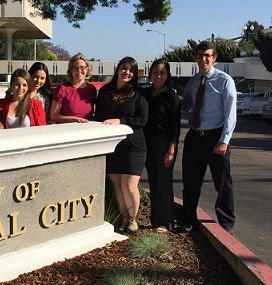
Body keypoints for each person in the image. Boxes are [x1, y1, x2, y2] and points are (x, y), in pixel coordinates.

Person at [181, 41, 237, 234]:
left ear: (214, 58)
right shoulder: (193, 81)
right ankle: (189, 221)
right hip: (194, 137)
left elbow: (230, 113)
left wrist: (224, 140)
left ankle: (226, 223)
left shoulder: (225, 80)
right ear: (195, 58)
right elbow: (187, 105)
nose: (203, 59)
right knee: (190, 182)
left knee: (222, 183)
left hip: (216, 138)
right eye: (199, 55)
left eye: (207, 55)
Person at [94, 57, 148, 233]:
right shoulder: (105, 92)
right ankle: (124, 219)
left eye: (131, 70)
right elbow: (99, 117)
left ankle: (133, 220)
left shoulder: (138, 94)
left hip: (133, 146)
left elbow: (142, 119)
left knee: (130, 185)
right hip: (112, 146)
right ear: (118, 70)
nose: (127, 72)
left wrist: (121, 121)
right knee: (117, 183)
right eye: (124, 68)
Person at [144, 59, 181, 233]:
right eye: (155, 72)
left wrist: (171, 150)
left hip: (165, 144)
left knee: (164, 182)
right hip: (146, 143)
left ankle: (166, 222)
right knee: (153, 181)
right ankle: (154, 219)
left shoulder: (172, 96)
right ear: (150, 74)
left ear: (168, 75)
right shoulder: (144, 94)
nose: (158, 76)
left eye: (162, 73)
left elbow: (175, 126)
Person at [50, 53, 97, 123]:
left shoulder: (92, 89)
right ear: (70, 71)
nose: (79, 71)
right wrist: (75, 119)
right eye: (75, 68)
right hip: (67, 130)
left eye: (82, 67)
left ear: (87, 69)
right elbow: (54, 116)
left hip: (87, 130)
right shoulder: (62, 89)